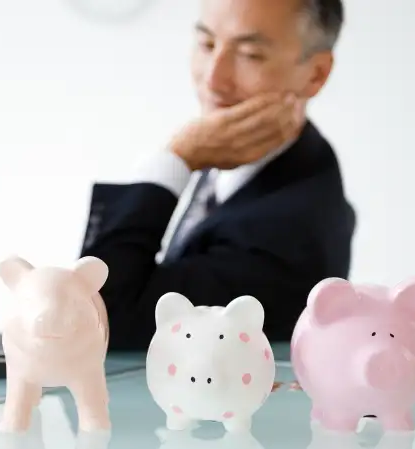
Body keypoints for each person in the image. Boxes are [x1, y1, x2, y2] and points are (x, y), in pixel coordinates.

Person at [80, 0, 354, 350]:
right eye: (207, 44)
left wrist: (177, 158)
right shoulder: (239, 151)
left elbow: (100, 318)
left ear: (315, 73)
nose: (213, 78)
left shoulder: (290, 231)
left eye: (250, 54)